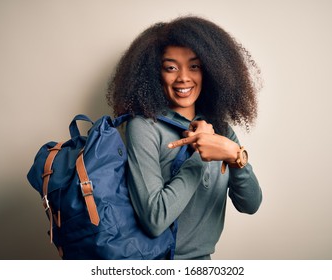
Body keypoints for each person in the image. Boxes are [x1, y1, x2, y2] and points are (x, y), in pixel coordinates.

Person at [107, 16, 263, 260]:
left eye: (194, 66)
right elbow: (154, 219)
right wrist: (201, 156)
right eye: (171, 67)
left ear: (210, 70)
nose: (183, 78)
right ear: (154, 73)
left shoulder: (219, 128)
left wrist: (235, 156)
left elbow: (251, 205)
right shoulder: (144, 127)